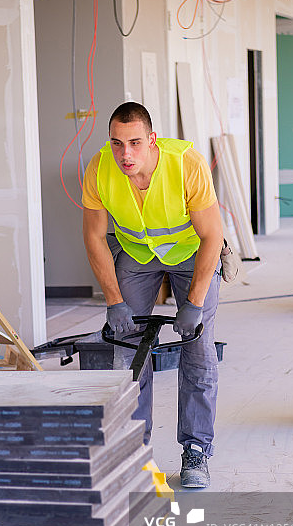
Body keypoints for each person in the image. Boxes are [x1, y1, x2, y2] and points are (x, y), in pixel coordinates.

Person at [82, 102, 223, 488]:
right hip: (139, 255)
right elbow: (94, 237)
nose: (125, 154)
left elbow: (214, 235)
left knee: (197, 348)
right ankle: (133, 451)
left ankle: (196, 450)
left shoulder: (186, 164)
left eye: (134, 143)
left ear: (152, 140)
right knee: (128, 350)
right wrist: (113, 300)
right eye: (116, 143)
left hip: (190, 252)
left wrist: (193, 303)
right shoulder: (98, 168)